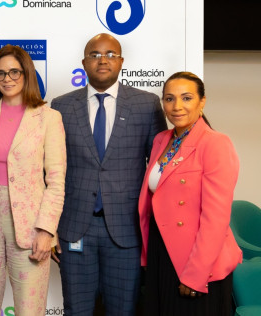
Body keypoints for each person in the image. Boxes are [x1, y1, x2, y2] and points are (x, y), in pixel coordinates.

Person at [50, 33, 167, 315]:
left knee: (123, 310)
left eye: (110, 54)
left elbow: (160, 165)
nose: (103, 60)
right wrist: (50, 226)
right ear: (84, 62)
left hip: (126, 231)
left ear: (121, 61)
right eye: (95, 54)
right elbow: (51, 169)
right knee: (76, 310)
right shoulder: (60, 106)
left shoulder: (146, 104)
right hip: (75, 227)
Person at [0, 45, 66, 316]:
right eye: (0, 73)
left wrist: (47, 230)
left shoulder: (48, 118)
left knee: (30, 310)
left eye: (14, 72)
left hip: (31, 223)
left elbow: (56, 180)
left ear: (26, 74)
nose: (7, 79)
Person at [138, 72, 241, 316]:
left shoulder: (216, 143)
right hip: (161, 250)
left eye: (186, 98)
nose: (177, 107)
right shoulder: (162, 139)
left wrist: (196, 274)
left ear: (202, 101)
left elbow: (215, 219)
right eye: (169, 99)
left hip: (196, 258)